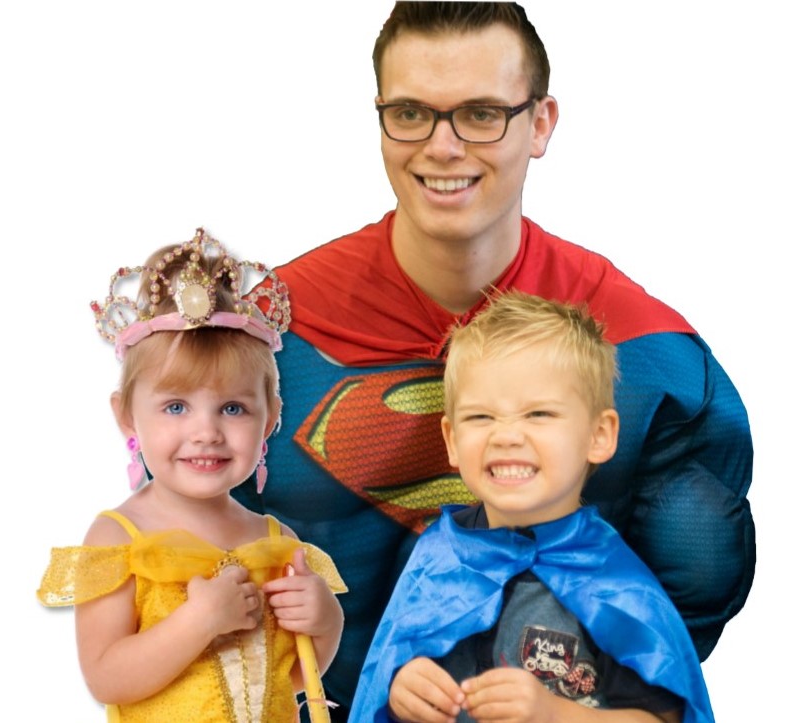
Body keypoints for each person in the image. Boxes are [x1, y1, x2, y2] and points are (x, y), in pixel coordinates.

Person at [233, 2, 754, 717]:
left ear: (540, 123)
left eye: (481, 114)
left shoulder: (650, 354)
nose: (442, 147)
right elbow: (184, 520)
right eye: (410, 113)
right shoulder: (265, 336)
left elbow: (697, 571)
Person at [350, 291, 714, 723]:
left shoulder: (616, 585)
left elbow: (665, 719)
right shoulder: (437, 559)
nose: (506, 436)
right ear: (452, 440)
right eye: (481, 417)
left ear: (599, 435)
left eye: (539, 414)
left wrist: (554, 714)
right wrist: (401, 691)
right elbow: (383, 688)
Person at [37, 228, 346, 722]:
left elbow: (288, 678)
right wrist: (198, 622)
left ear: (270, 418)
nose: (206, 433)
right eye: (176, 406)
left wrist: (325, 624)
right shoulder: (119, 539)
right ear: (127, 416)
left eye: (232, 408)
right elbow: (105, 677)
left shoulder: (276, 542)